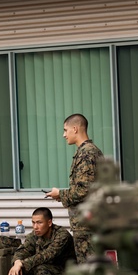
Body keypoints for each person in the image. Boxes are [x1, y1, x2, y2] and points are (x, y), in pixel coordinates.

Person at [47, 113, 104, 264]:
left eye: (66, 130)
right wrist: (62, 196)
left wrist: (60, 193)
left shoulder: (87, 153)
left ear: (75, 129)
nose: (64, 135)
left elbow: (84, 190)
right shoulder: (86, 152)